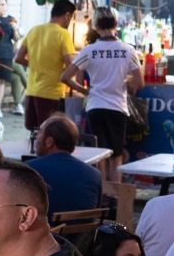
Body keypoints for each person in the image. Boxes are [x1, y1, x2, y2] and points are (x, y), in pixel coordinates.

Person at [60, 11, 140, 179]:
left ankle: (100, 196)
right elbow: (139, 83)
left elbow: (65, 77)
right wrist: (126, 79)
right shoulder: (128, 50)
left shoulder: (89, 50)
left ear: (96, 27)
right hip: (118, 107)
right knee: (116, 155)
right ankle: (114, 199)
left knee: (99, 155)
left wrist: (85, 91)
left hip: (95, 106)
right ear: (116, 25)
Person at [16, 0, 77, 136]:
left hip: (32, 91)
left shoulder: (34, 30)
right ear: (66, 15)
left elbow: (18, 58)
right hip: (52, 93)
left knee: (34, 132)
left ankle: (34, 155)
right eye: (71, 17)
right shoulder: (63, 34)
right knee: (51, 133)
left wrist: (35, 63)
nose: (70, 21)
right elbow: (70, 64)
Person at [27, 116, 105, 215]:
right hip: (82, 230)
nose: (36, 137)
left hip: (45, 229)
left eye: (40, 132)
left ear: (49, 141)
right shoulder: (95, 175)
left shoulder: (29, 171)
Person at [0, 0, 26, 114]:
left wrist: (15, 28)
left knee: (1, 81)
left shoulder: (11, 19)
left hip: (5, 54)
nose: (0, 7)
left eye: (2, 4)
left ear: (7, 6)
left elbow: (15, 39)